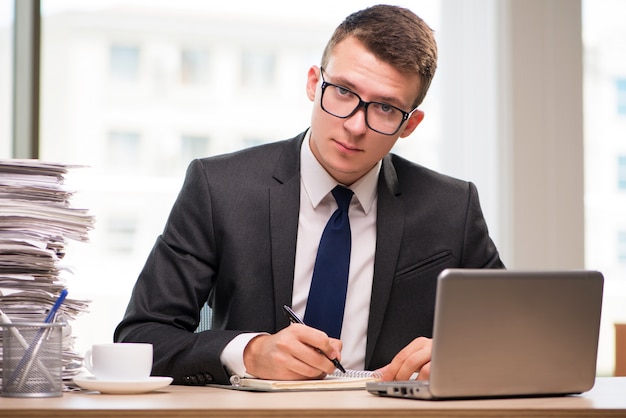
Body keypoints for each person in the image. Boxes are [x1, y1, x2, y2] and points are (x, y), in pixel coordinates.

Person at [114, 4, 504, 386]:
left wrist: (458, 356)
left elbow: (515, 339)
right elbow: (141, 337)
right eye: (343, 92)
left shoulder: (452, 208)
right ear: (314, 83)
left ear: (410, 125)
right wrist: (248, 353)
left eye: (385, 108)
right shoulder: (219, 187)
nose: (354, 125)